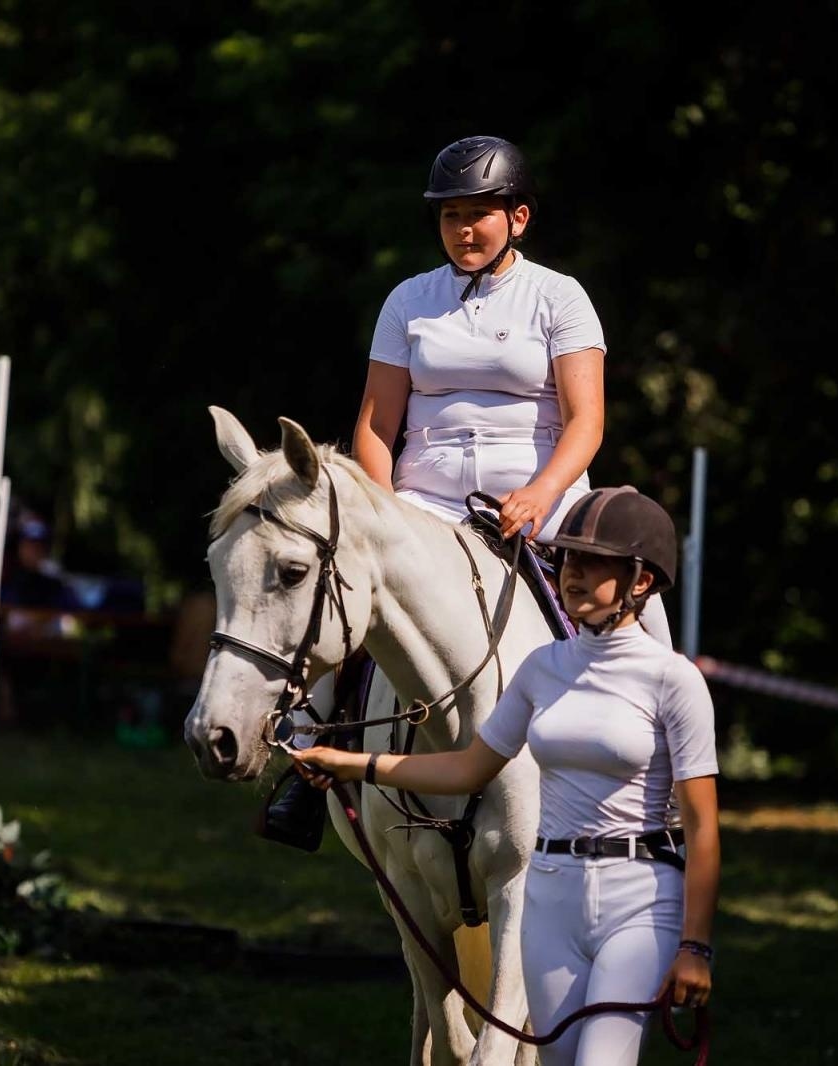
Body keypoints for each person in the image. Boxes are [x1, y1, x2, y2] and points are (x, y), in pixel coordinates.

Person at [262, 135, 670, 846]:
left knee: (642, 592)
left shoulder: (559, 297)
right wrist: (381, 511)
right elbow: (375, 422)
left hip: (542, 485)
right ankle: (305, 767)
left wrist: (543, 492)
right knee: (345, 586)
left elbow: (587, 421)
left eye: (480, 214)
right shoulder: (408, 300)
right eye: (452, 216)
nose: (465, 229)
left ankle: (661, 776)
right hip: (426, 499)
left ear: (519, 218)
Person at [292, 488, 720, 1066]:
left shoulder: (677, 683)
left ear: (640, 582)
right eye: (569, 558)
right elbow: (469, 766)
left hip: (636, 894)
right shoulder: (541, 669)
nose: (572, 573)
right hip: (551, 896)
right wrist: (349, 763)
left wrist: (694, 945)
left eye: (593, 564)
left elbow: (702, 825)